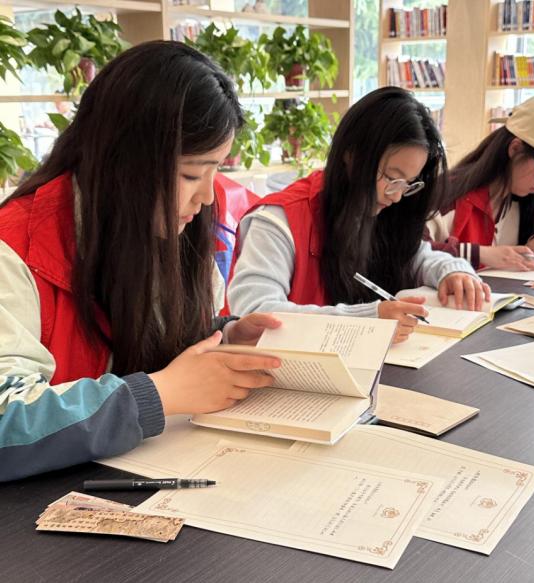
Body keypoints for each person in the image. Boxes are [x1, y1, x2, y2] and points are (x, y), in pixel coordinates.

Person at [0, 41, 282, 482]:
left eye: (216, 171)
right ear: (122, 160)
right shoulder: (13, 248)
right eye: (191, 174)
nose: (208, 197)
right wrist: (159, 394)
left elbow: (147, 344)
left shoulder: (166, 228)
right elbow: (5, 421)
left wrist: (222, 334)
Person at [227, 87, 490, 345]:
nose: (397, 196)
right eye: (392, 178)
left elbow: (415, 256)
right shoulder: (279, 220)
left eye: (408, 184)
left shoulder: (382, 209)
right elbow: (255, 313)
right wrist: (367, 320)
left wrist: (451, 272)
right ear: (351, 155)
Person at [425, 95, 534, 271]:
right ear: (515, 149)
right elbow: (414, 251)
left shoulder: (529, 202)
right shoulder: (448, 199)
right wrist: (482, 254)